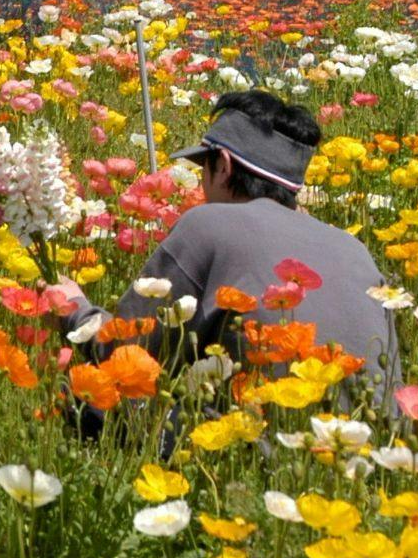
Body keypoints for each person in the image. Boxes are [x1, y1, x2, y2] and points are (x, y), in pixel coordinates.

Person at [60, 89, 397, 396]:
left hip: (252, 432)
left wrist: (73, 308)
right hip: (372, 440)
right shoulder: (356, 250)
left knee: (82, 396)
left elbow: (126, 354)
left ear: (223, 165)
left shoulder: (207, 225)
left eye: (203, 168)